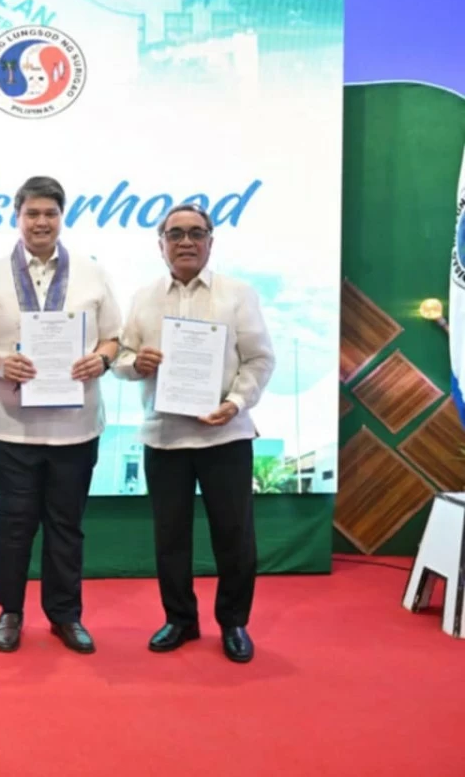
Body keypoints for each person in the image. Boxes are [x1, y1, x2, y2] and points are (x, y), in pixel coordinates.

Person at [0, 176, 122, 654]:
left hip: (75, 425)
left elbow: (115, 336)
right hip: (6, 423)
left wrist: (102, 359)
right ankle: (10, 611)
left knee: (66, 523)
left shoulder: (92, 273)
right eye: (32, 213)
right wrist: (1, 364)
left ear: (61, 217)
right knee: (13, 520)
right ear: (16, 216)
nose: (41, 222)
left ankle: (66, 615)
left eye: (50, 213)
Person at [113, 202, 275, 663]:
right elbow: (122, 359)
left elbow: (260, 359)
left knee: (234, 534)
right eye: (175, 234)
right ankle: (180, 619)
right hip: (164, 437)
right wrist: (134, 363)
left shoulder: (237, 294)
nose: (186, 241)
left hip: (225, 436)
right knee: (170, 536)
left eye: (196, 233)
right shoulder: (144, 297)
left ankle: (233, 623)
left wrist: (235, 403)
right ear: (161, 244)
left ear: (211, 241)